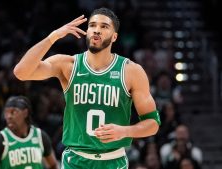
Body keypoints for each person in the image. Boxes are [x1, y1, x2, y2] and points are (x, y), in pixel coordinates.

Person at [13, 7, 161, 169]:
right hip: (76, 160)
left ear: (114, 36)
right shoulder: (68, 65)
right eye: (92, 25)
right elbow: (21, 72)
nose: (96, 30)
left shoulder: (131, 71)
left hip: (113, 160)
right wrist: (53, 37)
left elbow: (152, 123)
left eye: (104, 27)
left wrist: (125, 131)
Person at [0, 96, 59, 169]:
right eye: (6, 112)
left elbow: (53, 165)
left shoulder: (40, 136)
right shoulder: (1, 140)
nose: (9, 116)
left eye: (13, 112)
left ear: (25, 113)